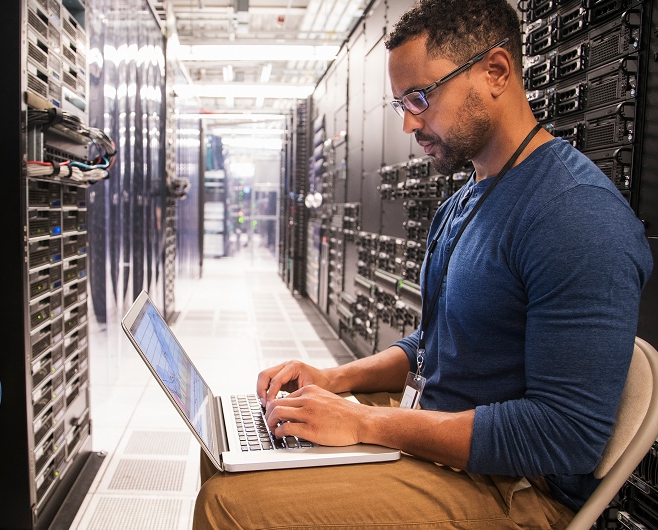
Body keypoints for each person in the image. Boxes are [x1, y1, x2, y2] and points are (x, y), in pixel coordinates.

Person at [193, 0, 654, 527]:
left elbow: (563, 435)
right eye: (400, 104)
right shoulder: (464, 202)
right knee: (228, 452)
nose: (409, 123)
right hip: (440, 434)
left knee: (227, 504)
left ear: (495, 72)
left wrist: (364, 423)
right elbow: (433, 345)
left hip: (513, 489)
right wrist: (333, 378)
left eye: (420, 97)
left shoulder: (576, 216)